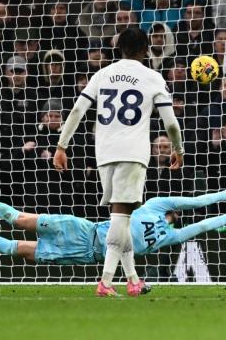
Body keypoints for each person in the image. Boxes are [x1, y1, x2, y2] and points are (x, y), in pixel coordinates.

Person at [52, 27, 184, 297]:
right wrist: (178, 148)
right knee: (121, 217)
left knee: (121, 217)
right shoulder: (152, 77)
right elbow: (170, 122)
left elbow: (78, 109)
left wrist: (61, 145)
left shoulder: (103, 74)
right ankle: (106, 281)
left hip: (104, 153)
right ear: (146, 49)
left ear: (118, 48)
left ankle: (134, 280)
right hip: (132, 153)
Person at [0, 183, 226, 285]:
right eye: (177, 210)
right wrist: (224, 198)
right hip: (83, 230)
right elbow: (195, 204)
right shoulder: (156, 204)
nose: (178, 211)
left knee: (18, 250)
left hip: (84, 255)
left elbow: (198, 226)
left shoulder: (169, 236)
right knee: (21, 218)